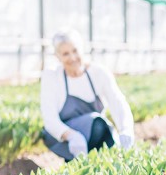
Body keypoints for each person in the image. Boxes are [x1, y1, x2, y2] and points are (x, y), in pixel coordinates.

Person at [41, 30, 135, 162]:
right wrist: (71, 136)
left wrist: (125, 129)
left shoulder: (99, 72)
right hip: (63, 139)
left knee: (100, 126)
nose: (72, 58)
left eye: (75, 50)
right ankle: (75, 163)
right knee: (96, 122)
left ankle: (96, 165)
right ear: (57, 56)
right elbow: (49, 119)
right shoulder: (51, 76)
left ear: (82, 49)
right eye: (66, 54)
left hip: (96, 133)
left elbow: (118, 102)